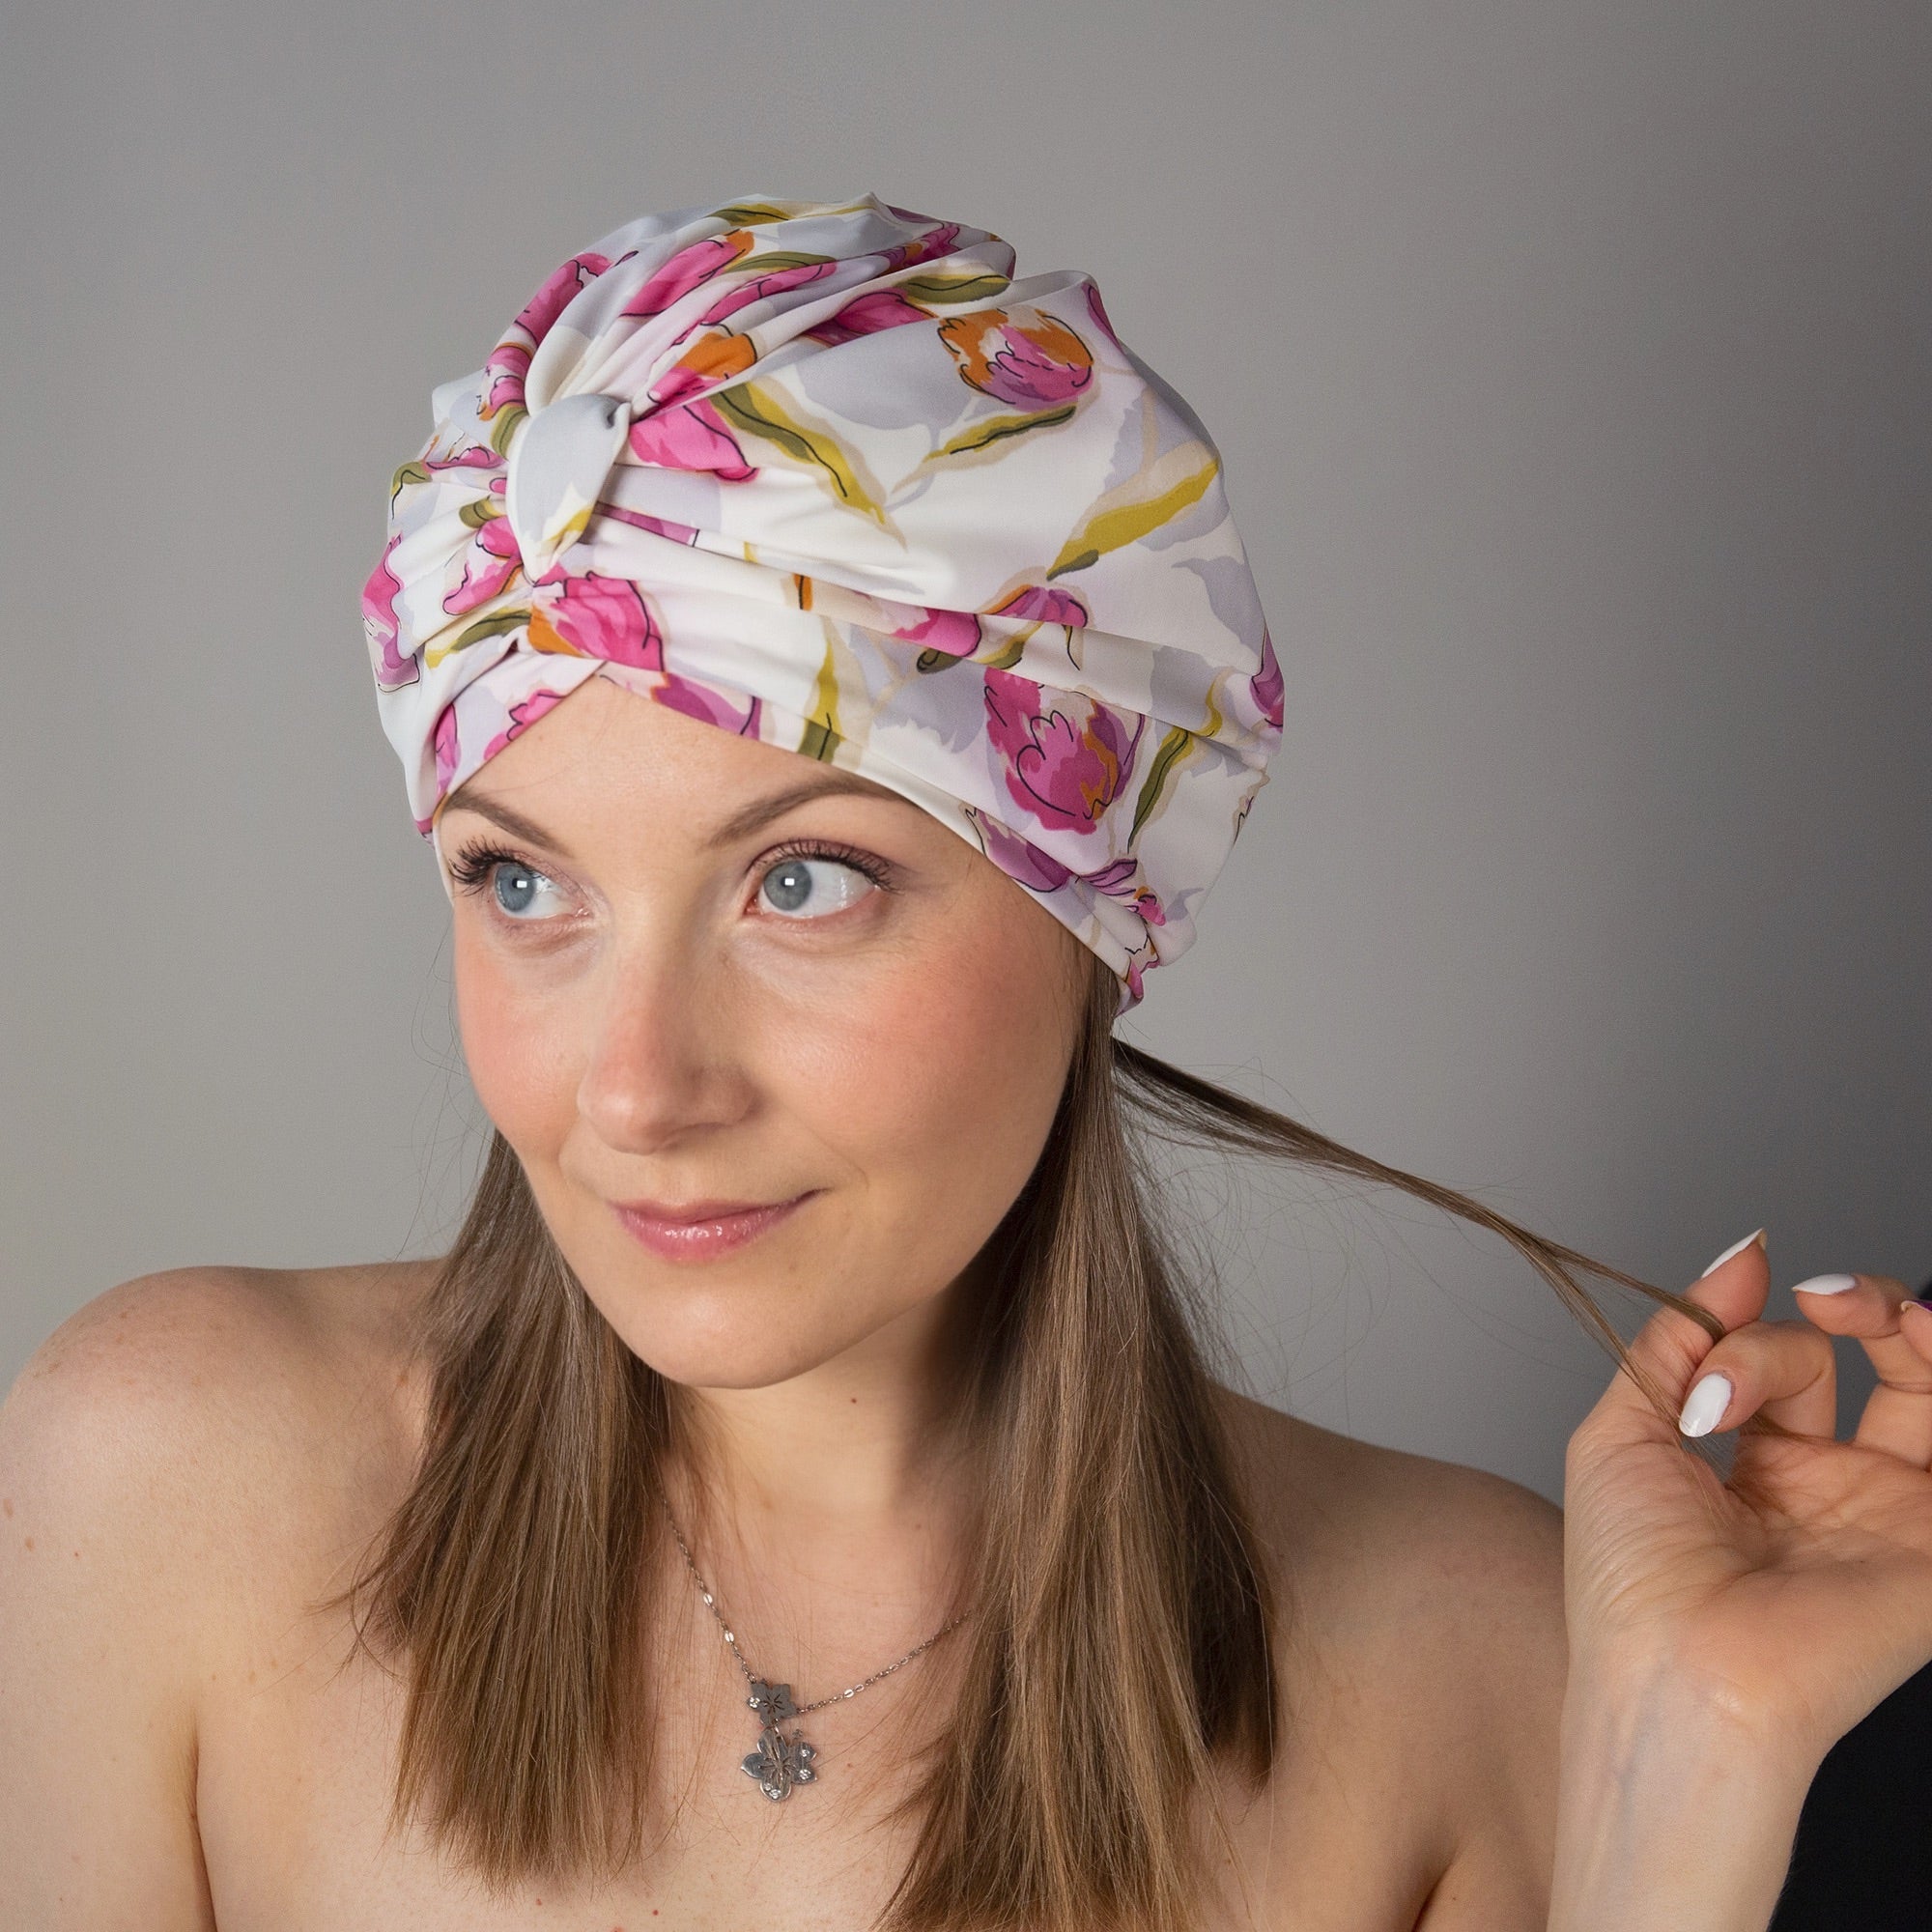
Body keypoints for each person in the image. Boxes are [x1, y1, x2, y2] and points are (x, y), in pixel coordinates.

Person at [2, 192, 1928, 1932]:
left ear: (1091, 904)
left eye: (806, 878)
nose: (637, 1089)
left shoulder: (1470, 1661)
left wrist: (1684, 1787)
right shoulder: (170, 1485)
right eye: (521, 880)